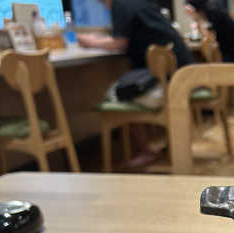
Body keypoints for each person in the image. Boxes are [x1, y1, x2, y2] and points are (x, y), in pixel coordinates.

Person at [78, 0, 194, 169]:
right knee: (126, 87)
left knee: (118, 93)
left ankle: (145, 151)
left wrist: (90, 42)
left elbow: (121, 43)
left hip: (166, 85)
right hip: (180, 78)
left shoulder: (120, 5)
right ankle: (162, 148)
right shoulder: (139, 3)